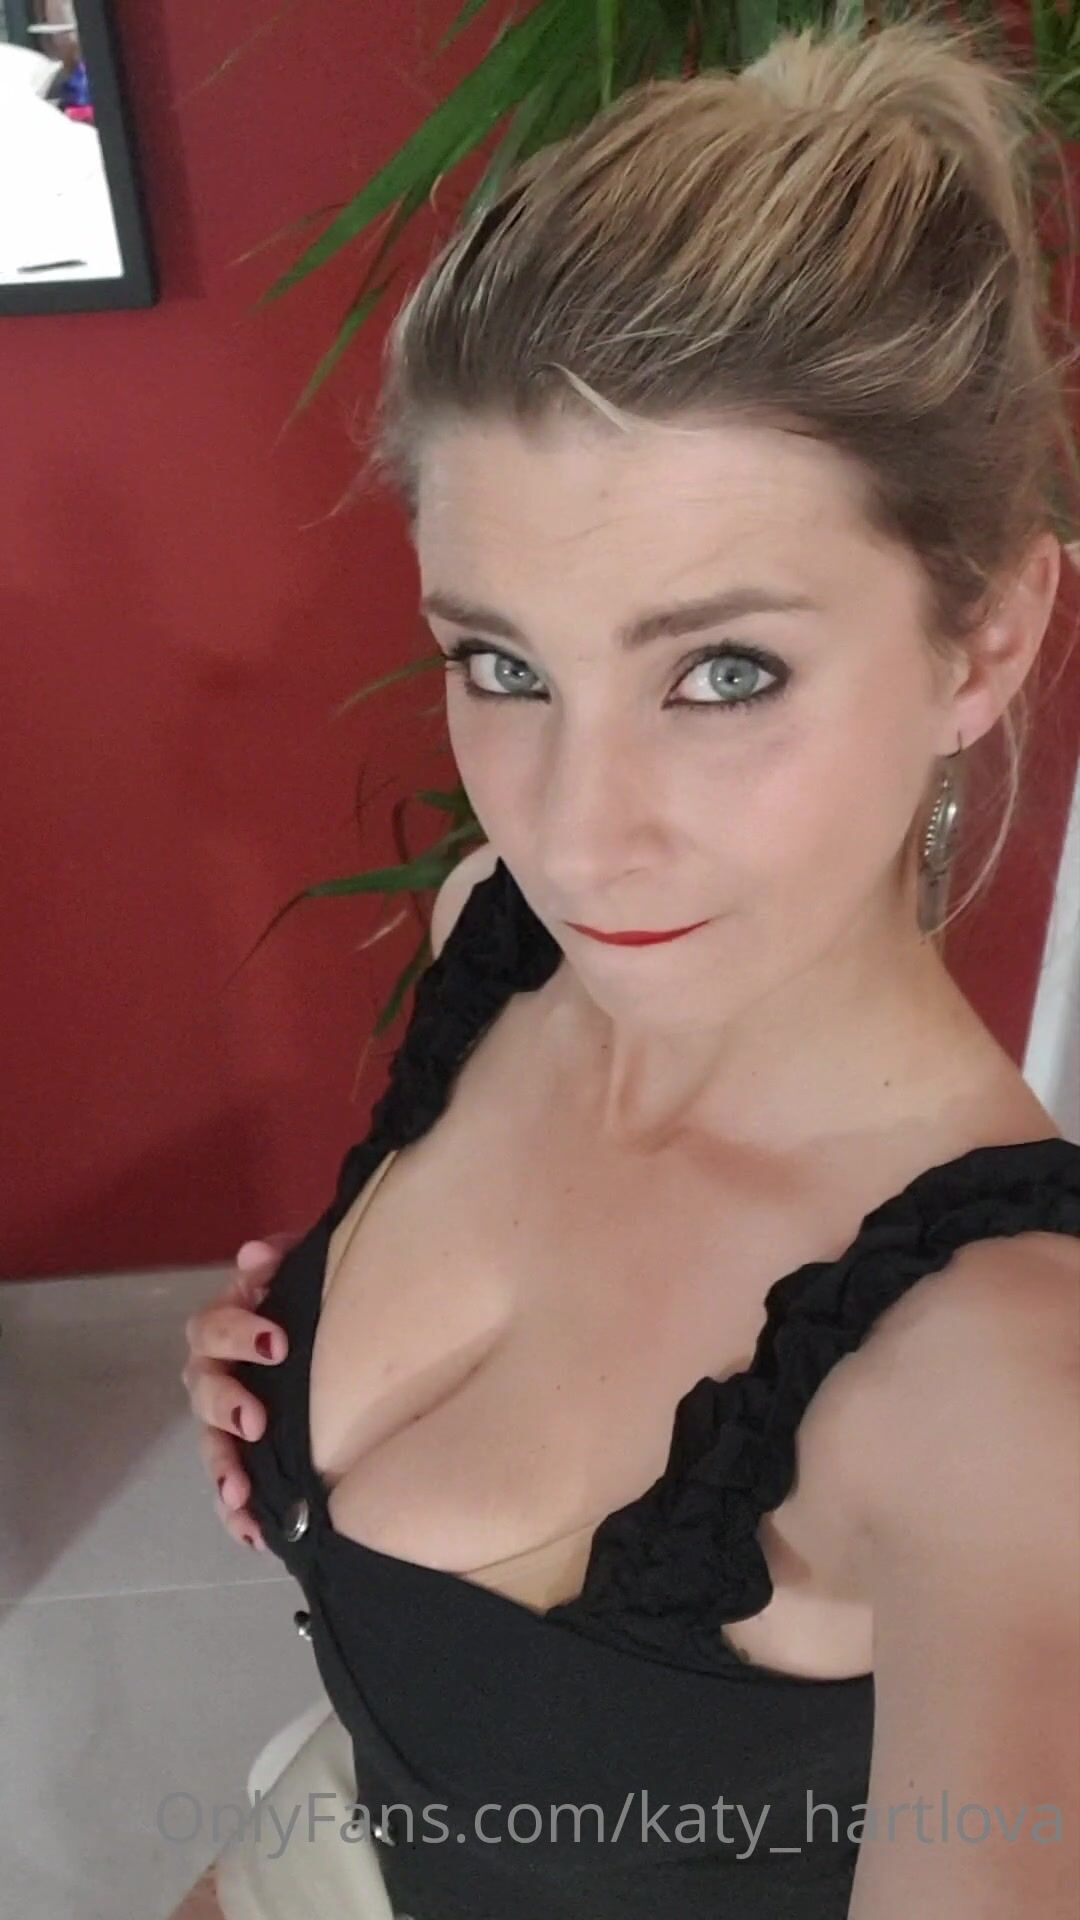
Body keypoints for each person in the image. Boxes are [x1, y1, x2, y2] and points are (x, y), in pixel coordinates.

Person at [178, 16, 1080, 1919]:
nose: (577, 835)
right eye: (503, 663)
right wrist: (297, 1373)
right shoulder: (494, 944)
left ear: (987, 637)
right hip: (336, 1827)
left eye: (724, 672)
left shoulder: (1005, 1394)